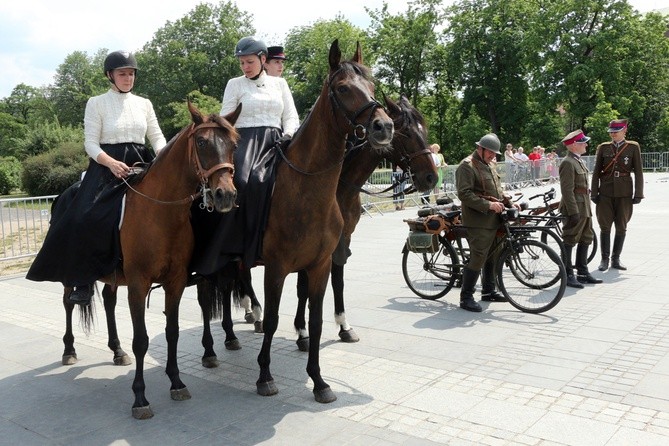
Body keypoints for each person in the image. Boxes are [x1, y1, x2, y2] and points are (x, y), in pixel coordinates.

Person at [26, 51, 166, 305]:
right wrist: (111, 163)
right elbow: (90, 143)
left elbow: (156, 136)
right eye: (122, 73)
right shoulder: (96, 102)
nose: (128, 78)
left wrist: (163, 157)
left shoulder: (144, 103)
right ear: (110, 76)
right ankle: (83, 280)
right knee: (83, 216)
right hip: (105, 165)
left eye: (131, 73)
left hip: (141, 161)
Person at [190, 36, 299, 274]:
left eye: (249, 62)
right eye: (242, 63)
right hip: (244, 141)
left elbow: (291, 115)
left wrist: (289, 133)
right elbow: (224, 118)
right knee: (244, 182)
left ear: (262, 59)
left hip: (278, 140)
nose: (245, 67)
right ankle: (234, 247)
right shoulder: (235, 84)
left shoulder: (280, 84)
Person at [456, 133, 519, 312]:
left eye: (494, 153)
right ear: (480, 149)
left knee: (494, 254)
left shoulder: (489, 164)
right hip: (478, 220)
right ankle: (466, 297)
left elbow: (497, 190)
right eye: (490, 152)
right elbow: (464, 194)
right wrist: (488, 205)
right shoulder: (467, 166)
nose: (493, 156)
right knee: (478, 256)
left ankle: (488, 290)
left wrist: (508, 202)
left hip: (494, 219)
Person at [590, 119, 644, 271]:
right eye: (611, 131)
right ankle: (604, 259)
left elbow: (638, 172)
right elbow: (596, 172)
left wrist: (638, 193)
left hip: (625, 193)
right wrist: (594, 192)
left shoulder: (633, 147)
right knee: (605, 227)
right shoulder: (603, 147)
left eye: (616, 131)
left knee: (621, 227)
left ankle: (616, 259)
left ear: (624, 130)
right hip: (605, 192)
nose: (613, 134)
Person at [558, 130, 602, 288]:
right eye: (583, 142)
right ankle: (567, 274)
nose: (586, 144)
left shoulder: (579, 161)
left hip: (584, 205)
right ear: (574, 145)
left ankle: (582, 272)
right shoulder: (567, 163)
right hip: (575, 207)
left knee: (586, 237)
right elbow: (567, 190)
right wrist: (573, 211)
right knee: (570, 239)